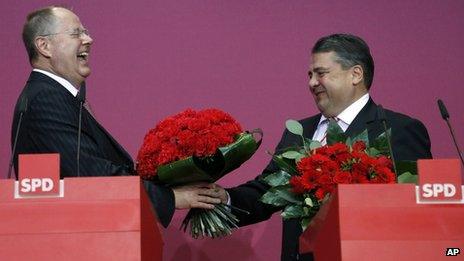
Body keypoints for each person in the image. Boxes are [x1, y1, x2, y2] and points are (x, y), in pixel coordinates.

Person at [217, 33, 432, 261]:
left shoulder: (396, 130)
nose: (312, 83)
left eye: (321, 73)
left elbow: (415, 211)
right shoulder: (299, 131)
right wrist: (224, 198)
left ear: (355, 74)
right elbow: (268, 192)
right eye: (310, 75)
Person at [11, 6, 222, 227]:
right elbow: (89, 172)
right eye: (76, 33)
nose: (89, 39)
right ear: (44, 46)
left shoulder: (55, 96)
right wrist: (170, 197)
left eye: (86, 31)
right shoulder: (46, 98)